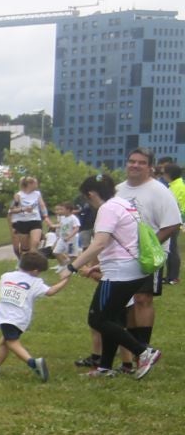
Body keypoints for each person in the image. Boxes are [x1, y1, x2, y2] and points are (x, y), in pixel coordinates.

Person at [67, 174, 157, 377]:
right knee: (112, 318)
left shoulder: (107, 209)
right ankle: (105, 367)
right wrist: (96, 267)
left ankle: (143, 352)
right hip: (134, 269)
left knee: (97, 320)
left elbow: (99, 243)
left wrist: (72, 267)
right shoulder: (124, 204)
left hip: (119, 273)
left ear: (90, 194)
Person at [116, 147, 181, 362]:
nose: (135, 165)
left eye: (141, 162)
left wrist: (149, 246)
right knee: (128, 302)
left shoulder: (159, 191)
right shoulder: (119, 190)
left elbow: (172, 223)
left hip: (149, 256)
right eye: (131, 161)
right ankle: (136, 350)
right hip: (122, 254)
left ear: (150, 167)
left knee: (143, 299)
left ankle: (143, 348)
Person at [0, 250, 69, 380]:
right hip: (19, 318)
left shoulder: (6, 276)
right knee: (5, 342)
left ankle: (33, 363)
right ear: (35, 271)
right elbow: (51, 291)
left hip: (5, 316)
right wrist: (65, 280)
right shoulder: (35, 282)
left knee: (11, 342)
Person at [7, 176, 48, 259]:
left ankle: (33, 262)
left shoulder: (37, 194)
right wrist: (24, 209)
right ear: (30, 184)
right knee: (25, 247)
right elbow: (12, 210)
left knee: (35, 242)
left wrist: (46, 216)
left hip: (35, 220)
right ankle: (24, 262)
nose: (37, 185)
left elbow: (42, 205)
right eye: (35, 183)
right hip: (22, 222)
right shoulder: (18, 195)